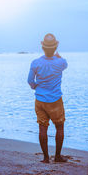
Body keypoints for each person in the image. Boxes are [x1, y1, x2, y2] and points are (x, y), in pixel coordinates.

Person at [27, 33, 68, 163]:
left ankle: (45, 158)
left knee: (42, 128)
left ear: (43, 47)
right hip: (55, 100)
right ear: (55, 47)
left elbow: (30, 81)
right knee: (59, 127)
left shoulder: (36, 63)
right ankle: (57, 156)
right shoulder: (61, 62)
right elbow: (63, 63)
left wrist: (36, 87)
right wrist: (56, 52)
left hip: (40, 100)